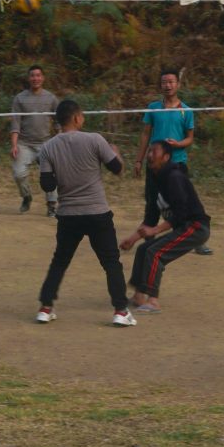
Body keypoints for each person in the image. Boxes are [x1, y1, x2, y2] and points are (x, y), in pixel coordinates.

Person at [34, 100, 137, 327]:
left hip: (68, 214)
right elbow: (118, 169)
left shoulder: (48, 147)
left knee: (60, 261)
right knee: (111, 262)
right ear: (77, 118)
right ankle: (120, 311)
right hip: (97, 212)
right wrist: (116, 153)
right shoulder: (94, 140)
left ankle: (45, 307)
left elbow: (47, 186)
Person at [121, 140, 211, 313]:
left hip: (196, 227)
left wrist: (155, 230)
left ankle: (153, 301)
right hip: (183, 226)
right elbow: (151, 217)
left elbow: (182, 213)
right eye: (148, 152)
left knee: (155, 253)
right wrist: (133, 239)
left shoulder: (174, 177)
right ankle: (139, 296)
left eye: (154, 152)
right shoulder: (155, 181)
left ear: (166, 157)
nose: (149, 155)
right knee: (143, 249)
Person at [134, 67, 212, 255]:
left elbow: (190, 138)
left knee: (182, 202)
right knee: (152, 201)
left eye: (171, 82)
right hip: (154, 165)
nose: (167, 85)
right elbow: (145, 134)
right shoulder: (153, 108)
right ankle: (149, 238)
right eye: (164, 82)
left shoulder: (186, 111)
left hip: (177, 164)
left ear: (178, 84)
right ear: (160, 85)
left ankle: (195, 240)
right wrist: (139, 160)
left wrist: (178, 144)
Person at [10, 65, 60, 216]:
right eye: (32, 75)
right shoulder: (20, 98)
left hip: (45, 143)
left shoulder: (51, 98)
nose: (35, 78)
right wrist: (14, 145)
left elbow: (59, 121)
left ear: (43, 78)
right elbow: (15, 123)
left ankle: (52, 205)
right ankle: (26, 197)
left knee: (51, 174)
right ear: (28, 78)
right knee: (18, 174)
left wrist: (59, 141)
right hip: (24, 143)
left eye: (38, 75)